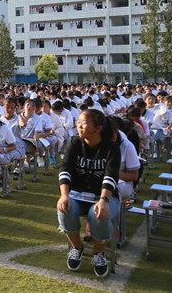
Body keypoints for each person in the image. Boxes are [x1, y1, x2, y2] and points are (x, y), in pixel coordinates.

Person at [57, 109, 121, 278]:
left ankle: (99, 253)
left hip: (106, 197)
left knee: (97, 214)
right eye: (78, 122)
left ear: (98, 128)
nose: (79, 125)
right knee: (64, 208)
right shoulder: (75, 143)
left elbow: (110, 175)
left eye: (84, 122)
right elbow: (65, 170)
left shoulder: (111, 148)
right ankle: (77, 248)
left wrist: (104, 200)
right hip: (78, 195)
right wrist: (64, 195)